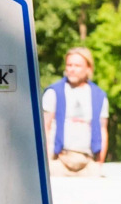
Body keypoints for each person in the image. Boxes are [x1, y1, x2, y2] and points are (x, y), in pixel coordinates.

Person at [42, 47, 108, 177]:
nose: (72, 69)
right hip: (58, 161)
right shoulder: (54, 92)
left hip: (88, 162)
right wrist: (47, 161)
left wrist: (99, 163)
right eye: (69, 65)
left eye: (77, 65)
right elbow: (45, 127)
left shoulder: (99, 95)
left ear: (88, 68)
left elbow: (103, 131)